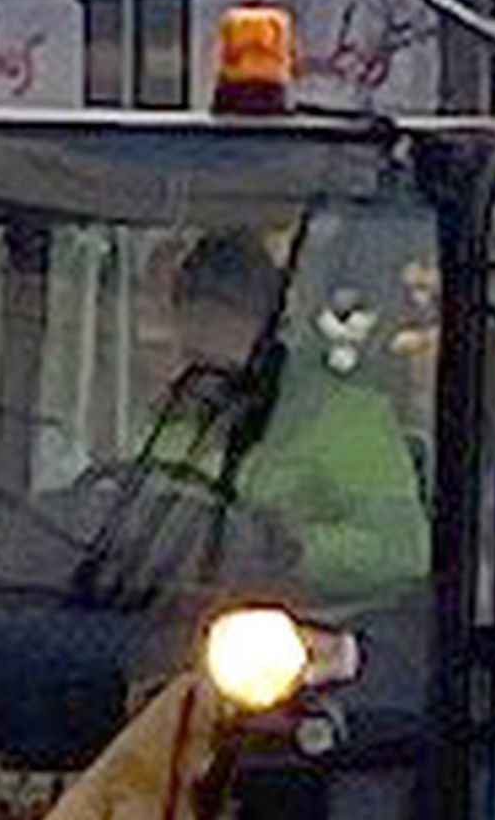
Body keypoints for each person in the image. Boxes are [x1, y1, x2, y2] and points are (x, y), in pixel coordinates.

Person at [156, 226, 430, 606]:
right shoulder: (171, 423)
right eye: (193, 328)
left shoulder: (348, 419)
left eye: (220, 323)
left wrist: (285, 548)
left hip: (295, 632)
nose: (204, 344)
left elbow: (401, 551)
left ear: (266, 326)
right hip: (157, 614)